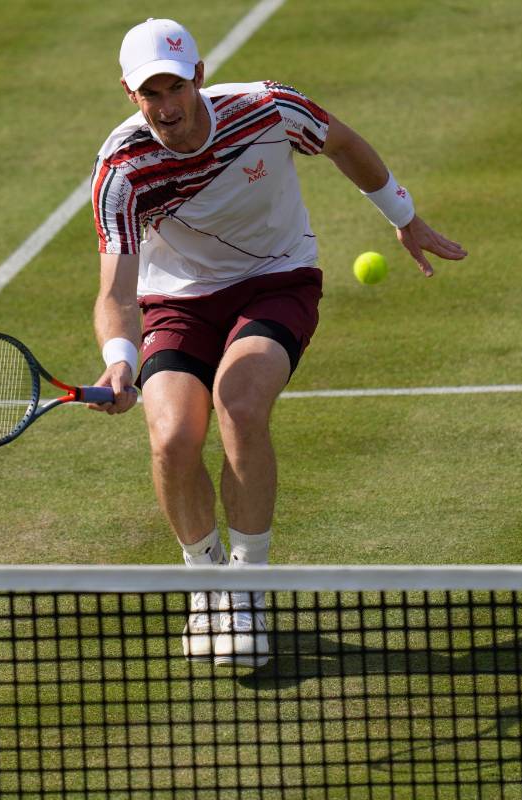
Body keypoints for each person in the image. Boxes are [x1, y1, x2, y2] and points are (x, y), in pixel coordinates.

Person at [87, 18, 466, 667]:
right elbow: (117, 292)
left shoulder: (267, 109)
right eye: (151, 93)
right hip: (177, 300)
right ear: (131, 93)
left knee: (239, 403)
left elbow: (344, 142)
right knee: (172, 437)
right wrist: (119, 363)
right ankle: (205, 585)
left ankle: (247, 588)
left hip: (276, 278)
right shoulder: (121, 168)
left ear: (198, 76)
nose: (167, 106)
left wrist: (404, 217)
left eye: (175, 87)